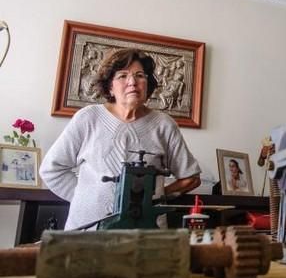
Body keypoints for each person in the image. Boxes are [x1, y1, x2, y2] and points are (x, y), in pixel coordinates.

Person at [40, 48, 201, 229]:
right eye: (123, 76)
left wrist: (153, 198)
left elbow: (191, 178)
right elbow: (51, 170)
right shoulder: (88, 117)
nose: (132, 82)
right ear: (110, 86)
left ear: (147, 84)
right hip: (87, 231)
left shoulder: (164, 124)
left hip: (145, 233)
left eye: (140, 76)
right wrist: (88, 197)